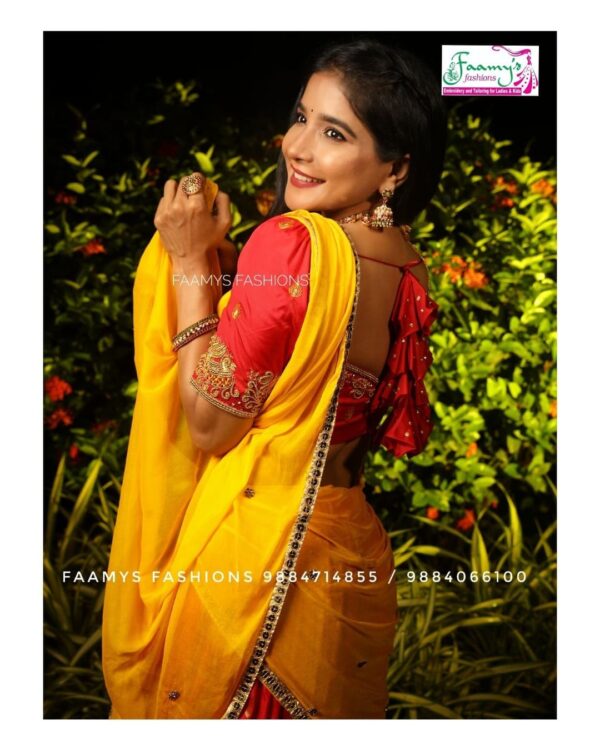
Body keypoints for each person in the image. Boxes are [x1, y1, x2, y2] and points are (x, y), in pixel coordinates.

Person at [101, 37, 448, 720]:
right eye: (301, 117)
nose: (299, 146)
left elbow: (208, 424)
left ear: (393, 168)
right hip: (344, 555)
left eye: (335, 132)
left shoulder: (292, 243)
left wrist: (189, 261)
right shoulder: (409, 268)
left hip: (257, 568)